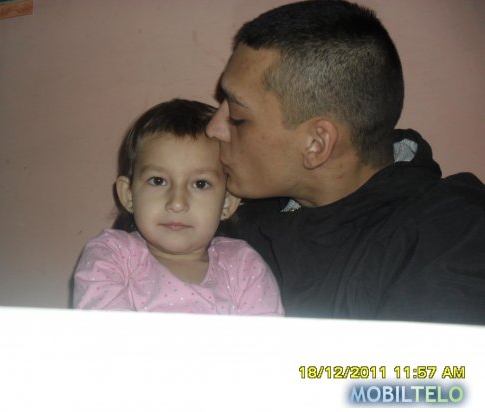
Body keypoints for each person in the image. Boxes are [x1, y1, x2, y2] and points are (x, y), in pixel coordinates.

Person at [205, 0, 485, 324]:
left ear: (316, 144)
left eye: (237, 117)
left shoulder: (453, 240)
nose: (213, 128)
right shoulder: (231, 206)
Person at [73, 99, 284, 316]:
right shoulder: (110, 255)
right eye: (158, 181)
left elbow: (266, 335)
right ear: (128, 195)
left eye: (200, 184)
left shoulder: (244, 267)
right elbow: (104, 330)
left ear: (227, 202)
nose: (177, 203)